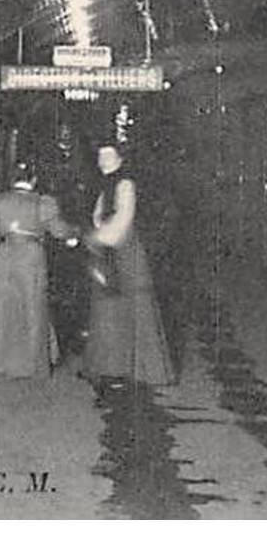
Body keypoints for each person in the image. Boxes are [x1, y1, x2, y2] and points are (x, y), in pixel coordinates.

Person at [0, 162, 73, 378]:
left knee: (1, 305)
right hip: (31, 256)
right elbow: (59, 230)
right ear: (33, 181)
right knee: (33, 305)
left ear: (12, 180)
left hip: (6, 253)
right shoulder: (42, 203)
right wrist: (73, 235)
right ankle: (31, 365)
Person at [83, 144, 175, 385]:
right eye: (101, 155)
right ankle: (110, 367)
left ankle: (131, 369)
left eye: (109, 156)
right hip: (109, 249)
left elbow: (124, 218)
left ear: (120, 160)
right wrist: (98, 233)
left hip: (124, 251)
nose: (103, 160)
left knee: (128, 307)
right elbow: (98, 215)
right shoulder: (106, 186)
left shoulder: (125, 185)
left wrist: (98, 238)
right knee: (108, 309)